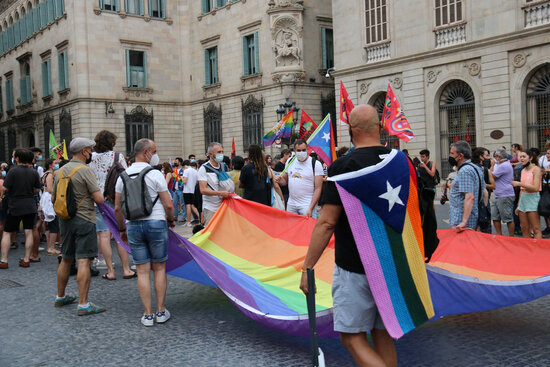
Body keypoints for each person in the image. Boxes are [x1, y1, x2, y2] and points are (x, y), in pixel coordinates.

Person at [299, 105, 397, 367]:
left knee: (352, 337)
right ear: (380, 127)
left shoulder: (343, 167)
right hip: (392, 262)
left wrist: (307, 266)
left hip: (355, 265)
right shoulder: (400, 161)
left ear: (351, 131)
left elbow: (327, 223)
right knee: (382, 333)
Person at [114, 139, 175, 326]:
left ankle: (147, 314)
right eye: (154, 151)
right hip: (156, 223)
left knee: (141, 270)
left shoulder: (122, 176)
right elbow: (168, 203)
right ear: (146, 152)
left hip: (133, 225)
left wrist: (122, 229)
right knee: (159, 268)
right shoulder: (155, 174)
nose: (155, 154)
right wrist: (171, 220)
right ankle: (161, 311)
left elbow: (117, 208)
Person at [54, 138, 106, 315]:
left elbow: (54, 196)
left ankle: (60, 296)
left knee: (66, 257)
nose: (91, 153)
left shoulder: (60, 171)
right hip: (84, 219)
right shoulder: (85, 170)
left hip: (65, 219)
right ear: (84, 151)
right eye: (90, 150)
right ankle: (84, 304)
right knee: (84, 259)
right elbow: (98, 199)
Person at [88, 130, 135, 280]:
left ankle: (110, 271)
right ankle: (127, 269)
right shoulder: (117, 156)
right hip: (115, 198)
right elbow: (124, 177)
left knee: (103, 235)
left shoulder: (91, 158)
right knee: (120, 232)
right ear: (112, 142)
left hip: (98, 199)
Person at [0, 149, 41, 268]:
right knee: (28, 232)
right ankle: (26, 259)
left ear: (17, 158)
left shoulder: (12, 171)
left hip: (15, 205)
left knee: (7, 232)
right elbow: (38, 189)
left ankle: (3, 260)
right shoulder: (33, 172)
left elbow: (5, 188)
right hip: (29, 205)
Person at [275, 140, 324, 218]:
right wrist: (279, 180)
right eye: (298, 150)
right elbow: (285, 181)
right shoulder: (290, 161)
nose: (301, 152)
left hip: (307, 205)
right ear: (294, 151)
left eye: (303, 150)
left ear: (307, 149)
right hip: (291, 205)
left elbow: (318, 188)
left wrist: (311, 208)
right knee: (292, 229)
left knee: (308, 229)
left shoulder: (315, 164)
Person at [448, 140, 486, 232]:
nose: (450, 156)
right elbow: (485, 192)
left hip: (462, 222)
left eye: (452, 153)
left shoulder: (465, 171)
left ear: (460, 156)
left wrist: (463, 222)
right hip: (470, 218)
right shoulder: (475, 168)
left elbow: (469, 197)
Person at [198, 142, 234, 225]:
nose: (221, 154)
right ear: (210, 154)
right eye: (219, 152)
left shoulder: (224, 166)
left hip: (224, 206)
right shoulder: (204, 168)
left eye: (222, 151)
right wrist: (221, 193)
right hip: (210, 208)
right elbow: (203, 190)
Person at [512, 149, 542, 239]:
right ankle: (528, 251)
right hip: (523, 200)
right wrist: (518, 205)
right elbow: (522, 190)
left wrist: (519, 184)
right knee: (524, 228)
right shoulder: (523, 171)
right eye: (520, 157)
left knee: (536, 229)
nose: (521, 159)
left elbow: (536, 188)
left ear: (531, 158)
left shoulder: (536, 169)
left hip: (533, 199)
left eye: (524, 157)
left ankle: (538, 250)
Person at [490, 148, 515, 236]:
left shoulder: (504, 165)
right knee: (495, 217)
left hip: (505, 195)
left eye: (495, 156)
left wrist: (492, 166)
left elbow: (492, 176)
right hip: (497, 194)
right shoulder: (500, 164)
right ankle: (499, 235)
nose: (494, 158)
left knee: (507, 218)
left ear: (499, 157)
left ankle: (511, 237)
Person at [472, 147, 496, 233]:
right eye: (486, 155)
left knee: (485, 227)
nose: (488, 158)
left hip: (484, 203)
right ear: (480, 157)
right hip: (473, 202)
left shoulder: (486, 170)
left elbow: (493, 186)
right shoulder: (470, 169)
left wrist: (482, 184)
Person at [42, 159, 61, 255]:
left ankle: (50, 246)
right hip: (50, 200)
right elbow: (50, 189)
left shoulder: (45, 174)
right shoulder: (49, 175)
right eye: (55, 163)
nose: (56, 165)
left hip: (46, 199)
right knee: (53, 224)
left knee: (50, 224)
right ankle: (51, 247)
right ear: (50, 165)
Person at [183, 161, 200, 226]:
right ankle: (201, 218)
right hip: (193, 190)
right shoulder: (196, 171)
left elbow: (184, 181)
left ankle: (188, 221)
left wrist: (182, 178)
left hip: (187, 190)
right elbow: (197, 181)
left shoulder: (186, 171)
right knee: (192, 205)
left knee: (188, 205)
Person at [171, 158, 187, 222]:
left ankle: (184, 217)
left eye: (176, 161)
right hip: (175, 189)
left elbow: (183, 179)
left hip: (181, 189)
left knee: (183, 204)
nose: (175, 162)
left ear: (180, 163)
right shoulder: (175, 170)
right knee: (174, 203)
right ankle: (175, 216)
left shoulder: (183, 170)